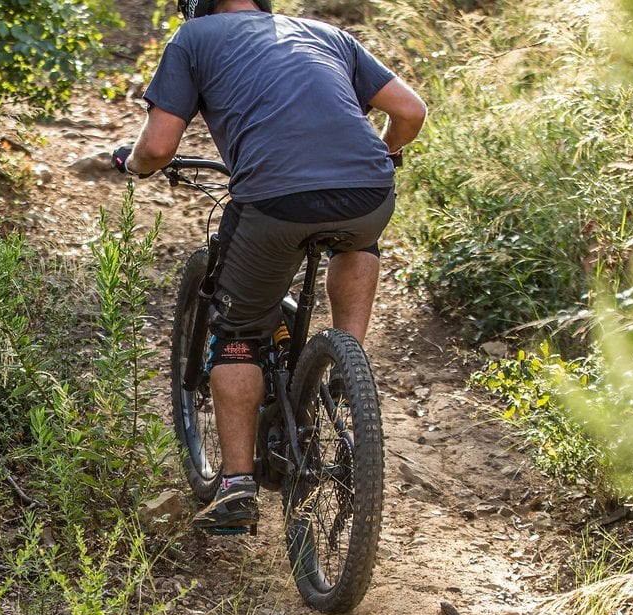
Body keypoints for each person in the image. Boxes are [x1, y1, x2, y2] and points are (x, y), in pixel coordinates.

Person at [112, 0, 426, 532]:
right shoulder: (325, 33)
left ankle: (236, 487)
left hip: (274, 202)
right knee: (356, 243)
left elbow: (160, 145)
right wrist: (386, 153)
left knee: (236, 329)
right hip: (369, 191)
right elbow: (411, 112)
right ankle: (345, 368)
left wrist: (132, 163)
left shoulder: (195, 38)